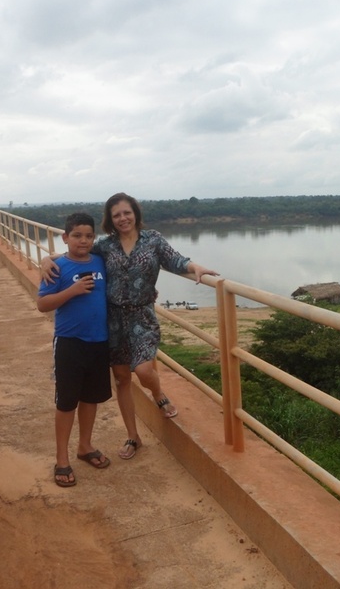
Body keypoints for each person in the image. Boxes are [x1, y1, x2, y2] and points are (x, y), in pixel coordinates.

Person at [41, 193, 218, 460]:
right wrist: (47, 259)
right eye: (116, 215)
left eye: (126, 213)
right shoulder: (106, 246)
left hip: (142, 317)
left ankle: (158, 394)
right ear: (110, 220)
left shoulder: (153, 240)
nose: (123, 218)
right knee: (122, 379)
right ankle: (132, 437)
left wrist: (196, 268)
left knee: (144, 369)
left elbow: (176, 260)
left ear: (135, 213)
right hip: (112, 320)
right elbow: (76, 249)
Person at [37, 212, 111, 487]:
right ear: (65, 238)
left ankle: (85, 446)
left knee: (90, 398)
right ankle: (61, 459)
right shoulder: (57, 268)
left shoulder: (100, 261)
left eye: (89, 235)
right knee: (66, 402)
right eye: (77, 235)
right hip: (69, 342)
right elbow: (43, 305)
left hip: (99, 341)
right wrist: (73, 290)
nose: (83, 240)